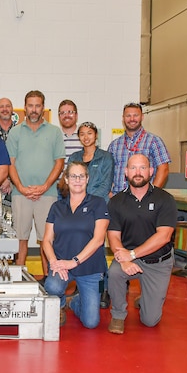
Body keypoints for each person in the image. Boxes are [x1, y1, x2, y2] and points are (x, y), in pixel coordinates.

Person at [106, 154, 178, 335]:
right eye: (133, 168)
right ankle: (118, 315)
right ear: (125, 172)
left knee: (150, 321)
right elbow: (113, 235)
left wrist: (132, 255)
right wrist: (124, 259)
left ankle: (146, 300)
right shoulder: (116, 202)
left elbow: (164, 236)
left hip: (158, 262)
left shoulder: (165, 199)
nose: (138, 173)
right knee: (114, 272)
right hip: (129, 258)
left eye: (143, 168)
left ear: (151, 171)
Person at [43, 161, 109, 328]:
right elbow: (47, 240)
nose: (77, 180)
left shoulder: (98, 203)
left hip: (90, 268)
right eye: (73, 176)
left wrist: (74, 262)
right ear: (66, 178)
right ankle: (60, 304)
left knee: (91, 322)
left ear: (87, 179)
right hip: (62, 266)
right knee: (52, 285)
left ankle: (74, 302)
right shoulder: (57, 207)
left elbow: (99, 239)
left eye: (81, 176)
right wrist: (54, 263)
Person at [6, 90, 65, 275]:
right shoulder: (14, 132)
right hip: (20, 194)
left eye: (37, 105)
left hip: (47, 195)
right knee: (20, 238)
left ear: (43, 108)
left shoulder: (54, 132)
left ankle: (49, 279)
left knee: (46, 239)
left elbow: (59, 162)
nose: (33, 109)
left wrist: (45, 186)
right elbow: (11, 163)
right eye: (30, 105)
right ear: (24, 108)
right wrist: (22, 189)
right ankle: (17, 277)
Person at [69, 121, 115, 308]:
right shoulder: (74, 157)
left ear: (96, 136)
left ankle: (102, 289)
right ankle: (81, 285)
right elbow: (71, 181)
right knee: (79, 246)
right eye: (82, 134)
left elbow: (104, 185)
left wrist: (86, 202)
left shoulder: (106, 157)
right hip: (76, 208)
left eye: (89, 133)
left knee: (97, 249)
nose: (86, 137)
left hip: (97, 208)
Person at [108, 102, 171, 196]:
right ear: (123, 118)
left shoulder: (154, 141)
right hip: (118, 199)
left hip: (143, 199)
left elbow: (164, 169)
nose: (132, 119)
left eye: (135, 115)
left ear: (142, 117)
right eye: (128, 116)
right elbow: (107, 173)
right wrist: (110, 195)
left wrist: (151, 195)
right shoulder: (114, 145)